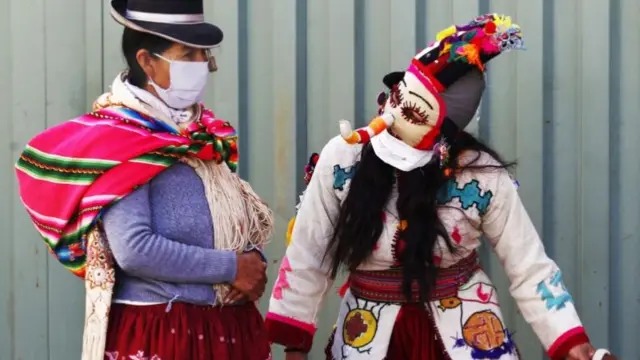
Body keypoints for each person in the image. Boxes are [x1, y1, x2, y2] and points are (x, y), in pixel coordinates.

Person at [265, 14, 617, 360]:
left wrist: (571, 343)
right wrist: (295, 346)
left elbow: (528, 265)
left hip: (466, 332)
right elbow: (309, 253)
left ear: (447, 141)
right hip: (367, 336)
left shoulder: (480, 174)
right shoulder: (343, 158)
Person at [15, 0, 274, 359]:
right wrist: (231, 267)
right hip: (165, 331)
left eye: (204, 55)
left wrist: (252, 262)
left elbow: (230, 221)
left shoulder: (197, 135)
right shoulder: (124, 143)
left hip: (224, 327)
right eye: (188, 54)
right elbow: (134, 249)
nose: (201, 65)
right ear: (146, 61)